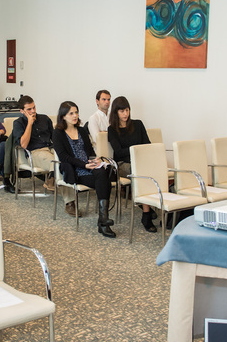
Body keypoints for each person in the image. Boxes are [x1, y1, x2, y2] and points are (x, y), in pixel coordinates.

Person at [53, 101, 116, 238]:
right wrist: (84, 165)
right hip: (75, 169)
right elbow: (64, 157)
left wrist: (95, 159)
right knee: (103, 178)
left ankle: (103, 220)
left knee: (103, 172)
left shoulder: (81, 130)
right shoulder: (58, 133)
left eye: (76, 112)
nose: (75, 116)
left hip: (88, 166)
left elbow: (89, 151)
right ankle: (103, 222)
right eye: (71, 113)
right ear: (63, 116)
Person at [107, 96, 156, 233]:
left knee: (150, 170)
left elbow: (147, 145)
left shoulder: (138, 124)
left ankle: (151, 206)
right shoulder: (112, 129)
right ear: (116, 113)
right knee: (142, 172)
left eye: (127, 110)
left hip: (140, 162)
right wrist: (135, 149)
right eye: (122, 111)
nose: (125, 114)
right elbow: (119, 152)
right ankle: (146, 214)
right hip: (122, 165)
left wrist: (138, 152)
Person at [10, 96, 65, 208]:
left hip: (50, 148)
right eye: (29, 109)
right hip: (35, 152)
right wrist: (29, 123)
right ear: (22, 111)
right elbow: (24, 144)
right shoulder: (18, 123)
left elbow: (54, 138)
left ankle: (52, 177)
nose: (33, 111)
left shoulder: (44, 119)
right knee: (55, 163)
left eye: (34, 107)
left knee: (65, 159)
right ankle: (53, 179)